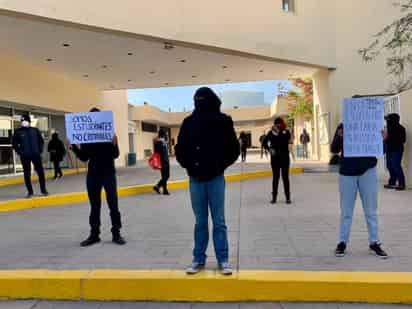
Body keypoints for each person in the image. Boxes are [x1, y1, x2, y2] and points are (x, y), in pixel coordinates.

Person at [175, 87, 240, 275]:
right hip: (195, 179)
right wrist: (189, 166)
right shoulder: (188, 122)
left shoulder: (223, 121)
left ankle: (223, 259)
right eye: (197, 99)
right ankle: (198, 259)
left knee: (219, 221)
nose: (199, 102)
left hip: (216, 178)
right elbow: (180, 149)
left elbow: (233, 149)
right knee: (200, 222)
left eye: (202, 99)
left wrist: (220, 166)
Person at [68, 107, 126, 247]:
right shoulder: (86, 137)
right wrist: (73, 147)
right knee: (94, 206)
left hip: (108, 174)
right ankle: (94, 234)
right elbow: (84, 157)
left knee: (113, 205)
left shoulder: (108, 134)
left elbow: (115, 154)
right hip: (93, 175)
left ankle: (116, 233)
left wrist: (115, 143)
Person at [331, 123, 388, 259]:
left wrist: (383, 139)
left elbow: (381, 151)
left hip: (368, 170)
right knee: (346, 211)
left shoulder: (373, 124)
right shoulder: (343, 126)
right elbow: (334, 149)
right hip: (347, 173)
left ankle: (374, 242)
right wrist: (340, 136)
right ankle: (342, 242)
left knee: (371, 210)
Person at [12, 114, 48, 198]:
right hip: (25, 156)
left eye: (25, 121)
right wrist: (20, 152)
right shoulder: (18, 132)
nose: (23, 122)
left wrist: (40, 150)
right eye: (22, 121)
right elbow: (14, 143)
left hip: (36, 155)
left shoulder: (35, 130)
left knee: (41, 173)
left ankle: (43, 190)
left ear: (29, 121)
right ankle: (30, 192)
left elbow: (41, 141)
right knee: (27, 174)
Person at [263, 117, 292, 205]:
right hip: (275, 158)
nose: (278, 125)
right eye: (277, 124)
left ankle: (287, 198)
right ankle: (274, 198)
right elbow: (264, 143)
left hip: (285, 158)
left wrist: (277, 132)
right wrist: (269, 149)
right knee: (276, 178)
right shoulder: (271, 133)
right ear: (275, 124)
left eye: (280, 123)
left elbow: (285, 139)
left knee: (285, 178)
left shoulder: (286, 132)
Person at [384, 113, 406, 191]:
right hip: (389, 150)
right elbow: (385, 139)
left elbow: (403, 140)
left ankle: (401, 184)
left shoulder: (401, 128)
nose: (387, 121)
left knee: (396, 166)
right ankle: (392, 182)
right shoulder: (387, 128)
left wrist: (391, 138)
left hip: (397, 150)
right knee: (389, 166)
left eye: (388, 120)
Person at [153, 128, 170, 195]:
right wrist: (162, 144)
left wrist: (164, 143)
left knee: (166, 176)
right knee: (165, 176)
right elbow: (157, 152)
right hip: (162, 162)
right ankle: (164, 190)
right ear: (163, 134)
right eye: (166, 133)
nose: (166, 134)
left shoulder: (163, 142)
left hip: (166, 161)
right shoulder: (158, 142)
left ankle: (157, 186)